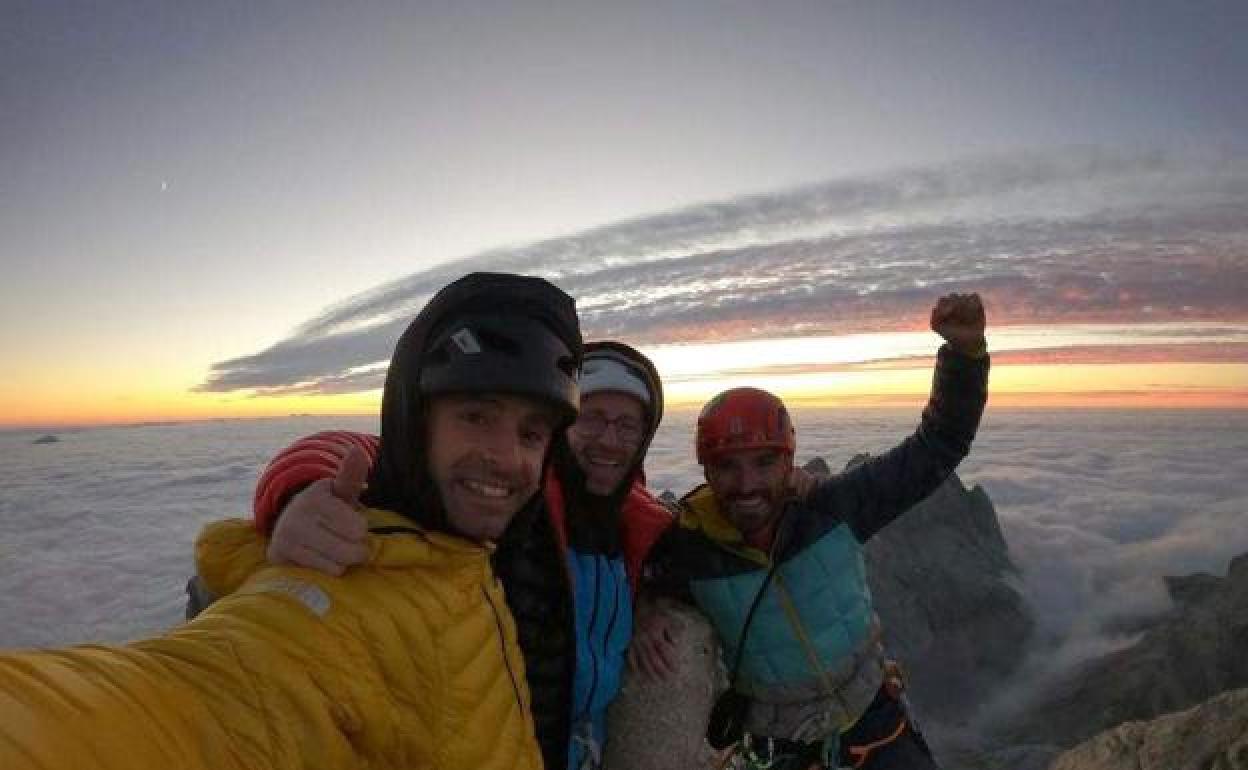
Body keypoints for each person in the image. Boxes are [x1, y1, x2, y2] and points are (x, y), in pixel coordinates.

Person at [0, 272, 583, 770]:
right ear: (413, 422)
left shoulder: (481, 549)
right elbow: (192, 699)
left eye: (531, 433)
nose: (508, 456)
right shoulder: (339, 583)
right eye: (477, 416)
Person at [188, 339, 674, 770]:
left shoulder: (636, 521)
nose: (610, 440)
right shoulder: (515, 496)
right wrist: (301, 491)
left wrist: (651, 600)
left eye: (628, 425)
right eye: (592, 418)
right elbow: (363, 451)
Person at [631, 292, 990, 770]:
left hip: (875, 726)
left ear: (789, 461)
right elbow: (625, 572)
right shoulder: (689, 547)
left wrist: (965, 355)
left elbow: (939, 445)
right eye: (726, 466)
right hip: (778, 748)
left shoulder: (833, 509)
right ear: (706, 470)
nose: (746, 485)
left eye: (764, 463)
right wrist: (646, 608)